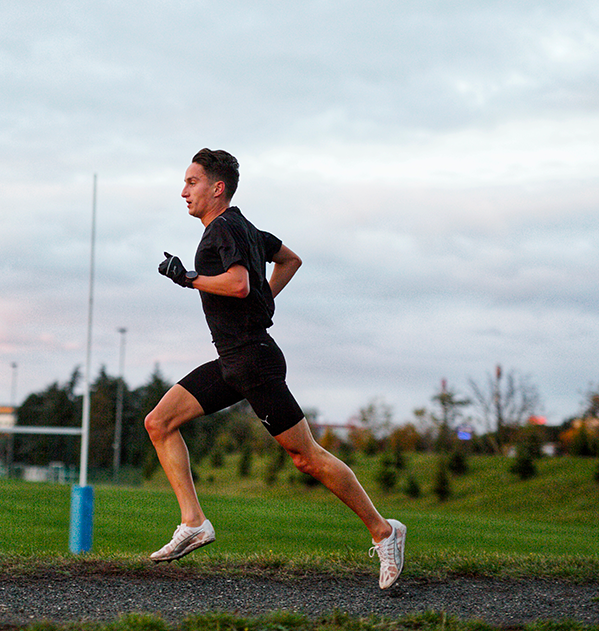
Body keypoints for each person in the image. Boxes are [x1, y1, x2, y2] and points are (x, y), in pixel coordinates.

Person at [145, 148, 406, 589]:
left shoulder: (221, 231)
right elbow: (289, 260)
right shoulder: (244, 228)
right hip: (235, 360)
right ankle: (194, 523)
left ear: (217, 188)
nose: (184, 190)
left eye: (192, 182)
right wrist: (262, 303)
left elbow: (239, 283)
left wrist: (188, 277)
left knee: (307, 457)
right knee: (159, 422)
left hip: (255, 362)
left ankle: (385, 531)